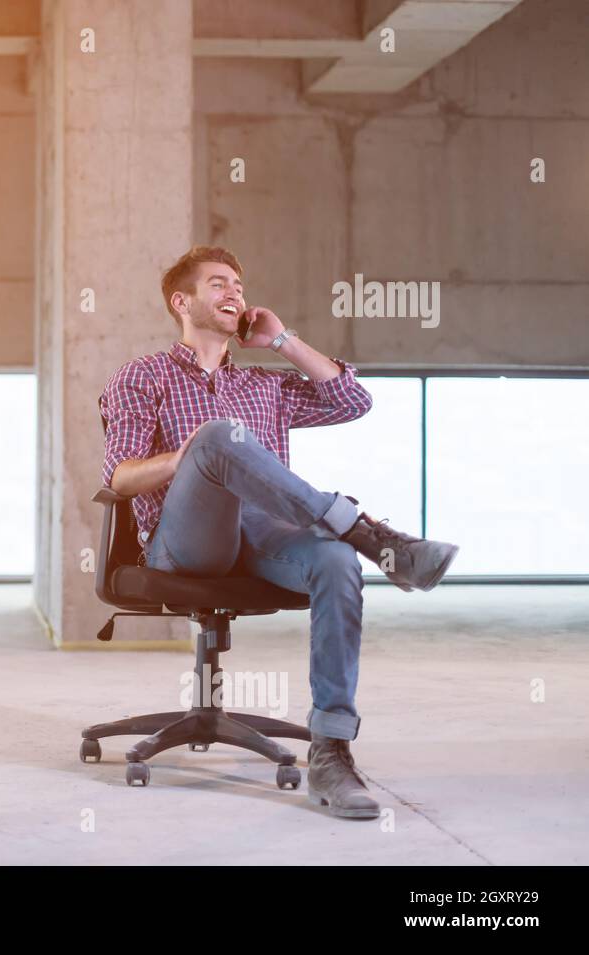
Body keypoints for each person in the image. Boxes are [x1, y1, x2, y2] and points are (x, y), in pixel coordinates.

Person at [99, 245, 459, 820]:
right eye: (217, 284)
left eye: (238, 284)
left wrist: (281, 340)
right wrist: (190, 453)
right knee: (219, 437)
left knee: (337, 563)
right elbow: (118, 477)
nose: (233, 293)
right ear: (181, 301)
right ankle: (365, 532)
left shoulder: (267, 385)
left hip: (265, 536)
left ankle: (331, 750)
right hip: (185, 543)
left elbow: (352, 399)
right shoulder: (143, 377)